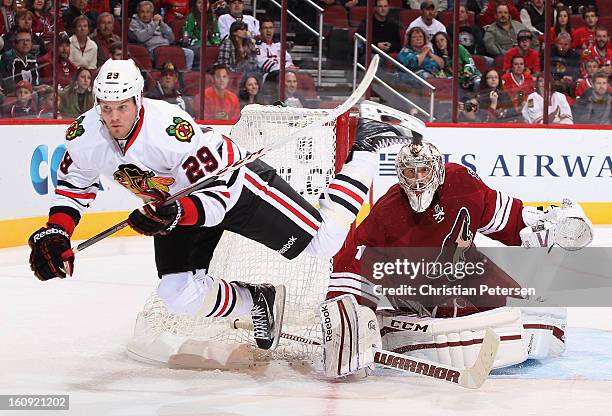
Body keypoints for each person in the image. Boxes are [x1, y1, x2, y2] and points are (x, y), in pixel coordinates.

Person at [27, 58, 410, 351]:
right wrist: (58, 231)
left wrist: (174, 214)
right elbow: (75, 185)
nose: (112, 117)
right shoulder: (84, 135)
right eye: (105, 107)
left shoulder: (170, 130)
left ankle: (364, 148)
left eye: (121, 107)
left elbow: (219, 194)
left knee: (323, 244)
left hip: (236, 189)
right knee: (176, 292)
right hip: (171, 210)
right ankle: (258, 300)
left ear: (137, 99)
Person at [321, 107, 591, 378]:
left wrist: (545, 225)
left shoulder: (462, 183)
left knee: (538, 314)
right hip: (417, 285)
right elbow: (355, 263)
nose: (417, 181)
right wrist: (349, 311)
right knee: (459, 326)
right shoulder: (388, 212)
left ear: (436, 169)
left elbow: (505, 218)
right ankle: (400, 331)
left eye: (423, 171)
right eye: (410, 173)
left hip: (468, 269)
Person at [129, 0, 194, 70]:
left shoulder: (156, 21)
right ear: (138, 13)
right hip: (151, 50)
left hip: (167, 46)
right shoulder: (134, 23)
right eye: (142, 12)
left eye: (148, 12)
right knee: (165, 53)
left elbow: (171, 39)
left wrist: (162, 24)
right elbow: (141, 38)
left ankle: (186, 75)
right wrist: (154, 24)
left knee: (189, 53)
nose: (145, 15)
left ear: (152, 13)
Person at [0, 28, 40, 93]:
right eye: (21, 40)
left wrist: (40, 88)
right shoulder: (7, 57)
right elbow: (8, 87)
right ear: (14, 43)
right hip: (13, 97)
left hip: (29, 95)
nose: (25, 43)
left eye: (28, 40)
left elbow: (35, 82)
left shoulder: (32, 58)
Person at [547, 32, 581, 96]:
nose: (562, 47)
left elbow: (577, 72)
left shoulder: (575, 55)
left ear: (570, 45)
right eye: (560, 44)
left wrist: (571, 78)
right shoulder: (548, 53)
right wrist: (558, 79)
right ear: (556, 43)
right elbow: (545, 70)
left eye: (566, 44)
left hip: (568, 84)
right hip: (552, 82)